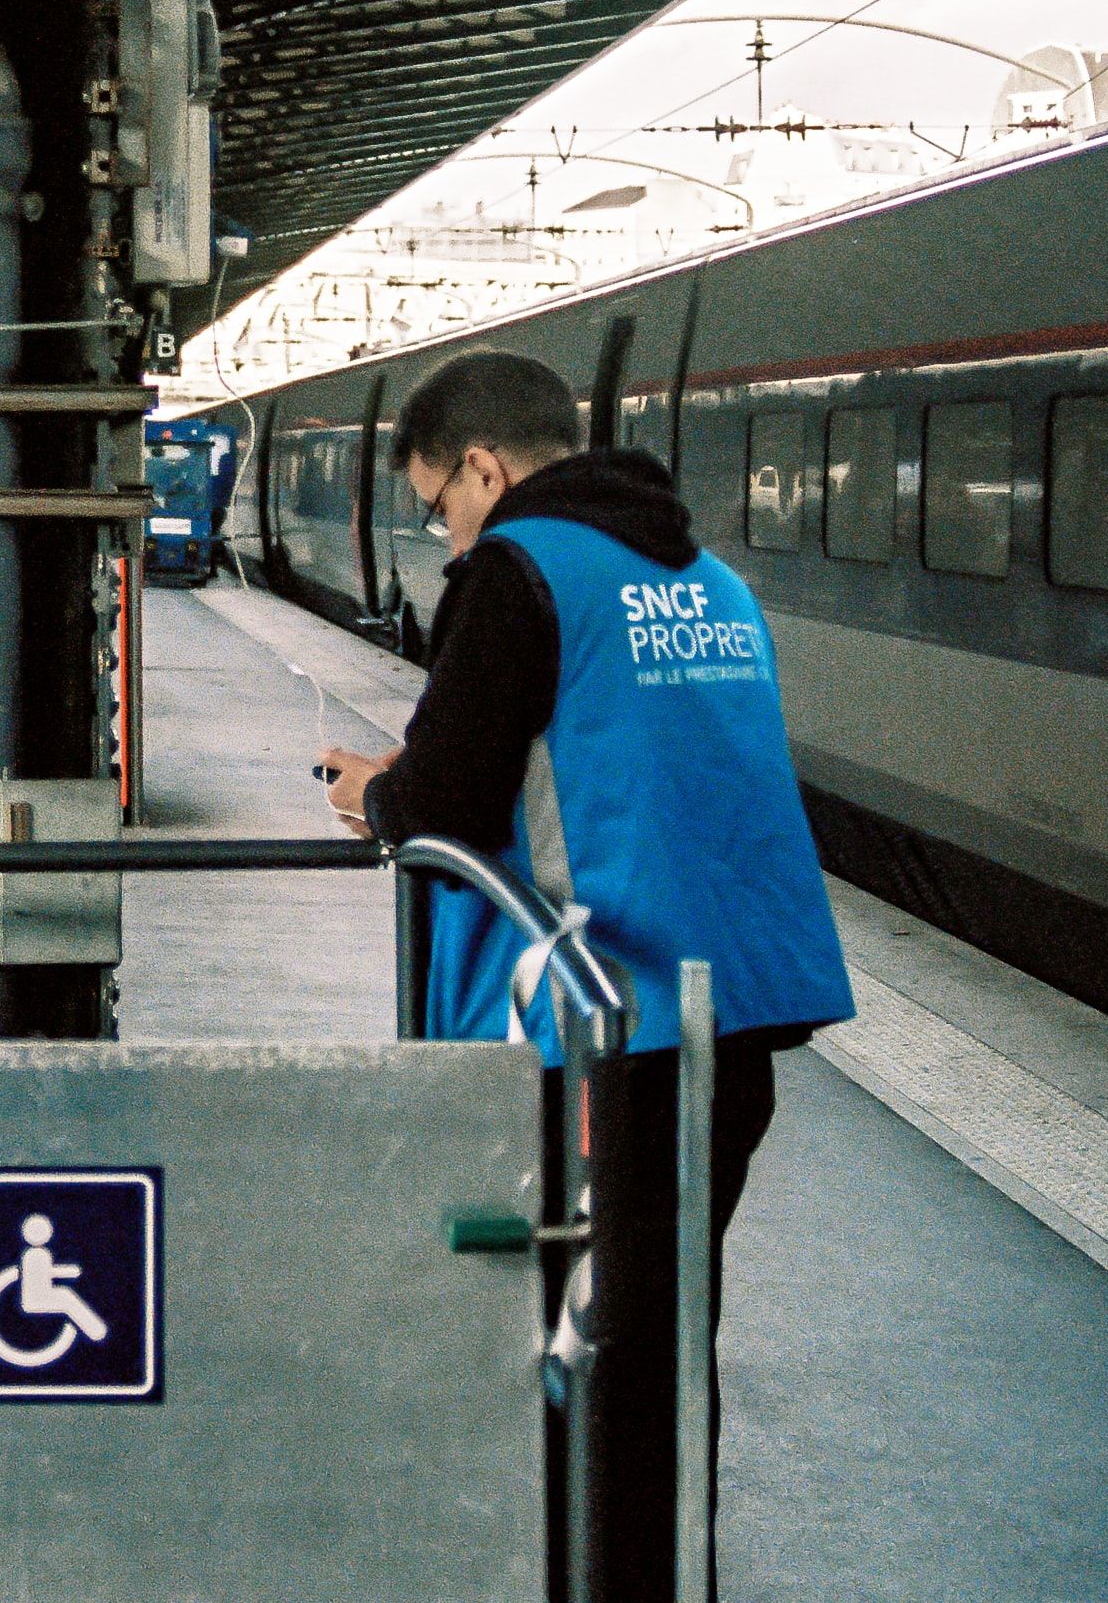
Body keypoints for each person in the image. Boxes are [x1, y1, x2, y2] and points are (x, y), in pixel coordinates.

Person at [316, 349, 852, 1603]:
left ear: (482, 468)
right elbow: (611, 749)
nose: (443, 531)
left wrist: (374, 792)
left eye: (436, 501)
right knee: (664, 1351)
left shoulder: (515, 569)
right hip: (730, 1032)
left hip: (605, 1033)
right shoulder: (705, 577)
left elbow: (440, 798)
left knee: (587, 1357)